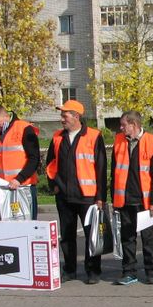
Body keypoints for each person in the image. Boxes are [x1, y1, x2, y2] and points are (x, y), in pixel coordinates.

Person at [44, 99, 107, 284]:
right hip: (64, 195)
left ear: (76, 116)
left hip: (87, 196)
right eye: (62, 115)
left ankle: (93, 271)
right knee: (67, 235)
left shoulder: (94, 136)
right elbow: (50, 163)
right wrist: (53, 184)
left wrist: (100, 197)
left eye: (65, 115)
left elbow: (101, 168)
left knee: (91, 235)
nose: (62, 118)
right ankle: (69, 270)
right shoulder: (57, 136)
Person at [111, 110, 153, 286]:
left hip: (145, 201)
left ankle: (151, 272)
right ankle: (129, 272)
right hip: (125, 199)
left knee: (148, 237)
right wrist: (114, 199)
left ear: (133, 125)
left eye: (123, 125)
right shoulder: (119, 141)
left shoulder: (152, 142)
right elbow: (114, 172)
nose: (120, 128)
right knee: (127, 237)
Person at [0, 104, 41, 218]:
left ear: (6, 116)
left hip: (23, 186)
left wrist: (19, 179)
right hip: (4, 189)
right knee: (8, 228)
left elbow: (34, 158)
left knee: (28, 225)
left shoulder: (23, 128)